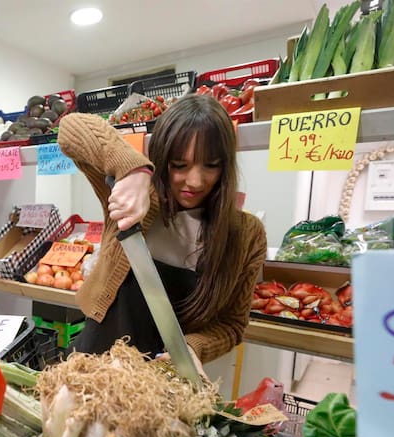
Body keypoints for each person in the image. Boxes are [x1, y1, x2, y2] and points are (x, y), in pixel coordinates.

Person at [57, 94, 267, 367]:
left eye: (211, 166)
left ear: (225, 166)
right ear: (163, 156)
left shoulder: (246, 235)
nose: (194, 181)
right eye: (180, 165)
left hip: (164, 380)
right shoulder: (136, 202)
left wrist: (194, 349)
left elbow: (232, 324)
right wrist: (133, 172)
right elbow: (71, 128)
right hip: (95, 360)